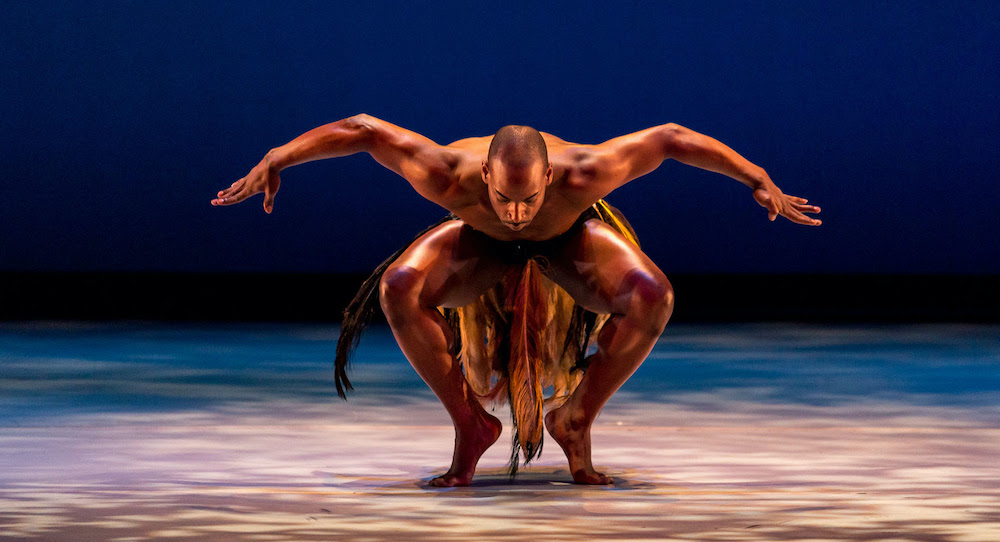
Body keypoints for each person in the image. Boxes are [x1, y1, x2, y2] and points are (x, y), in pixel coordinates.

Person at [212, 114, 821, 487]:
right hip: (477, 245)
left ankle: (575, 417)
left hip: (570, 240)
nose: (518, 213)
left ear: (551, 179)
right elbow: (363, 131)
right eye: (505, 198)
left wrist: (757, 177)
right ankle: (471, 424)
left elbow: (671, 139)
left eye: (529, 200)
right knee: (400, 286)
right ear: (484, 179)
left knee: (652, 295)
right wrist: (278, 157)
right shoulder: (448, 173)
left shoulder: (585, 173)